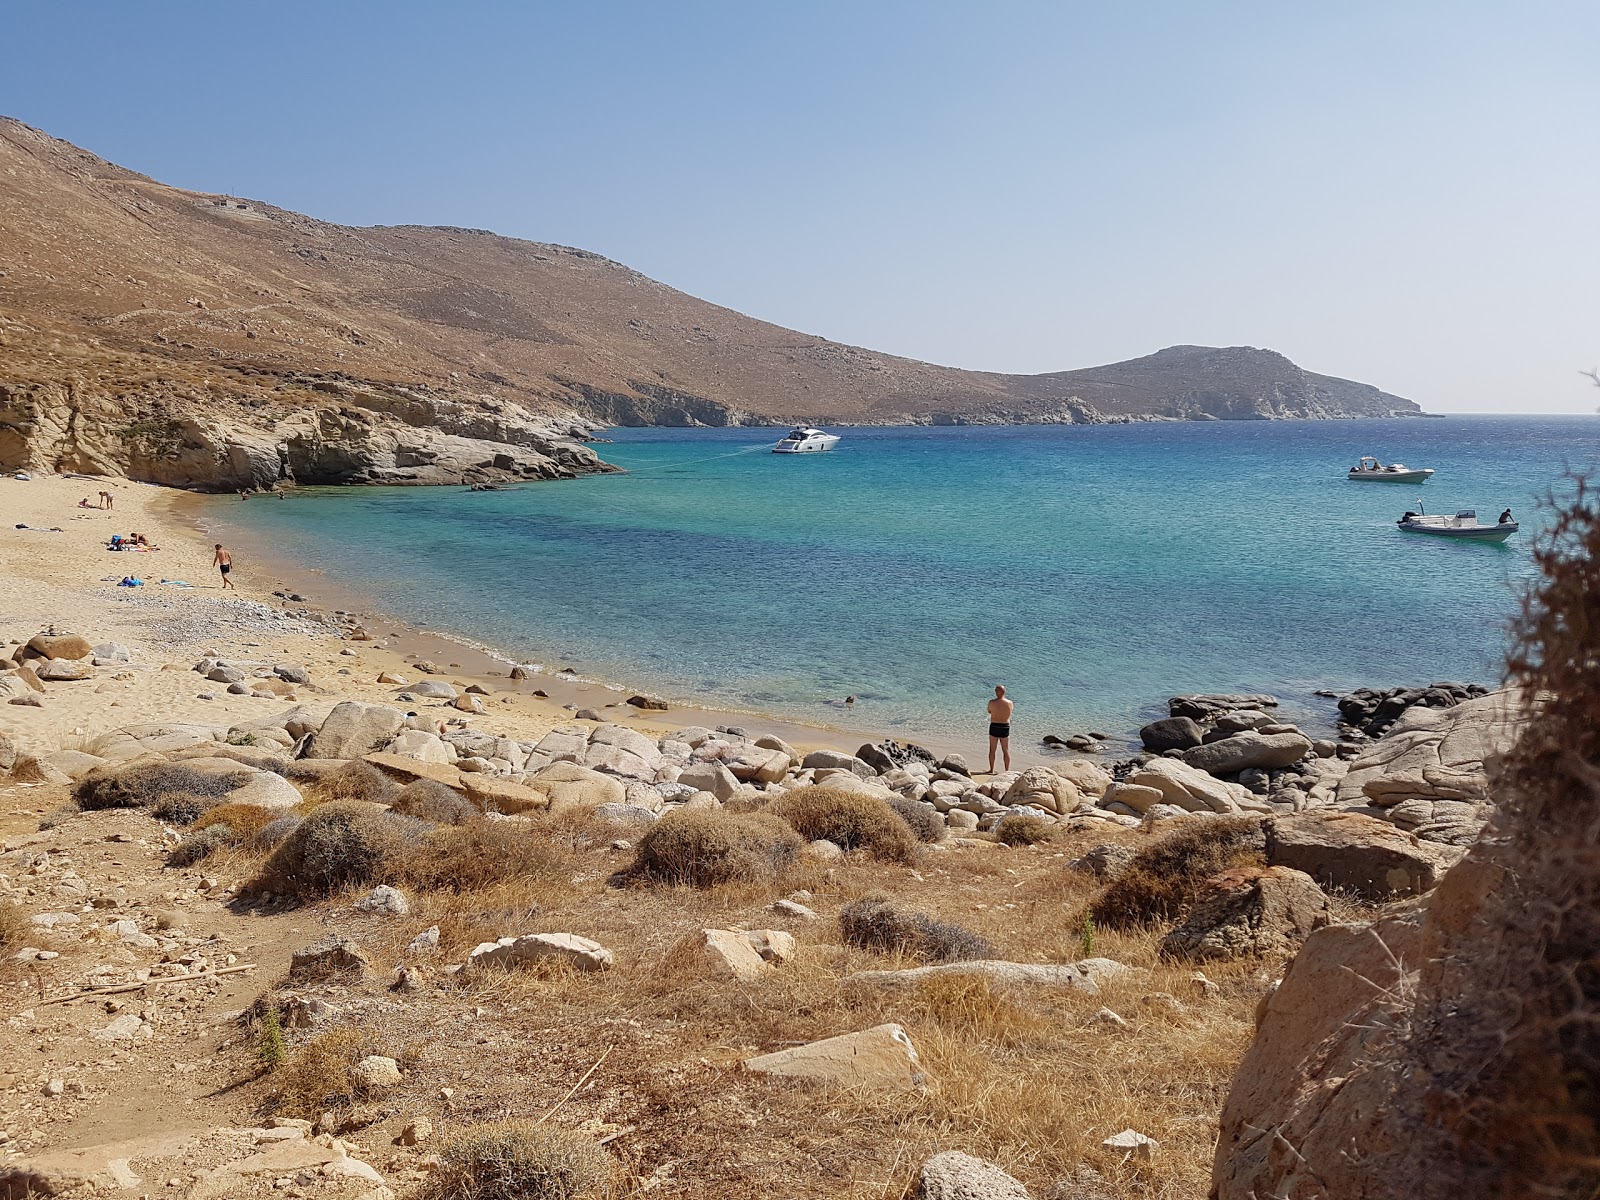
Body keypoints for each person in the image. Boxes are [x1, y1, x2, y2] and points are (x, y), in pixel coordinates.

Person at [986, 684, 1014, 773]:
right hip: (1005, 726)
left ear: (1000, 692)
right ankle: (1006, 771)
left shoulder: (992, 702)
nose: (995, 692)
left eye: (996, 690)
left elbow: (989, 711)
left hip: (994, 725)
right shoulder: (1010, 703)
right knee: (1005, 750)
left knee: (993, 749)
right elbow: (1010, 712)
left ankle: (991, 769)